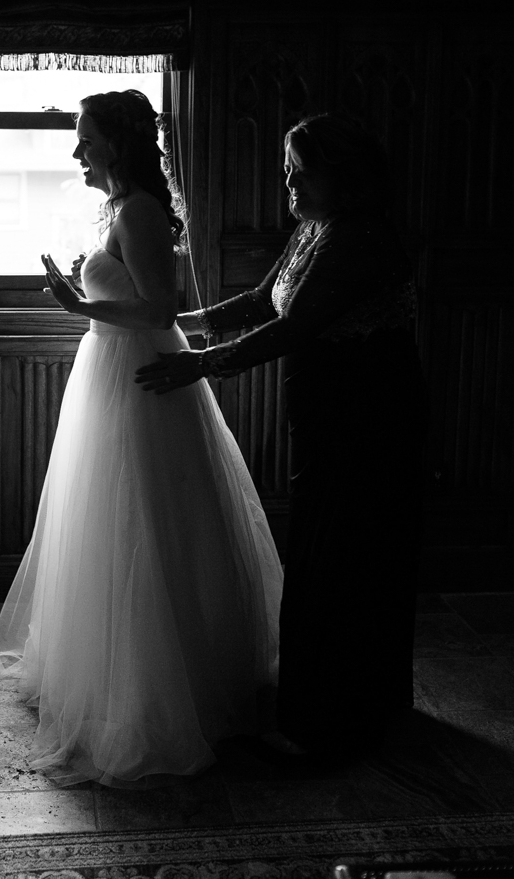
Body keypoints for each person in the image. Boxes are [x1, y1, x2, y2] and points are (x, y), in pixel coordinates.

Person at [0, 89, 283, 788]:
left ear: (116, 143)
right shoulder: (120, 208)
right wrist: (84, 304)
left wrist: (74, 302)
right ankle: (109, 669)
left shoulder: (142, 211)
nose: (76, 151)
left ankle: (160, 688)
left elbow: (159, 308)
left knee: (148, 518)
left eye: (85, 139)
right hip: (113, 369)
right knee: (109, 522)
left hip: (144, 375)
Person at [136, 112, 426, 758]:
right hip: (328, 409)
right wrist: (172, 322)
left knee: (345, 557)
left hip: (368, 412)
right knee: (327, 550)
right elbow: (266, 300)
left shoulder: (361, 237)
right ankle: (340, 702)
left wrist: (199, 364)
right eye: (286, 167)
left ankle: (333, 723)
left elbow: (295, 328)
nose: (287, 180)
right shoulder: (314, 229)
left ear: (340, 175)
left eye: (300, 168)